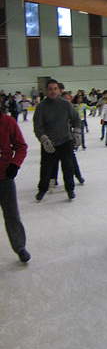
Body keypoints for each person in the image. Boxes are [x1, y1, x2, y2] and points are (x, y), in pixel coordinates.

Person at [33, 79, 82, 201]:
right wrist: (44, 139)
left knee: (68, 167)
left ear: (58, 90)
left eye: (55, 89)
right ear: (46, 90)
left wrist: (76, 133)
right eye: (50, 89)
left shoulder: (65, 104)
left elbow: (76, 118)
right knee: (45, 168)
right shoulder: (41, 107)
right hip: (50, 143)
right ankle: (42, 189)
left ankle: (70, 189)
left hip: (65, 141)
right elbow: (37, 127)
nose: (53, 91)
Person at [0, 106, 30, 263]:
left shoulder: (8, 122)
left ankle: (19, 247)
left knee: (12, 214)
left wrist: (15, 164)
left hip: (5, 177)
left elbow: (21, 146)